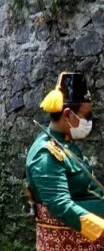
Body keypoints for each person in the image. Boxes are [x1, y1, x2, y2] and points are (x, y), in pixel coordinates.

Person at [26, 72, 104, 250]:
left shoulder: (66, 144)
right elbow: (59, 204)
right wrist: (101, 227)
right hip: (68, 241)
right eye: (87, 116)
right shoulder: (46, 153)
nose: (89, 122)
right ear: (67, 115)